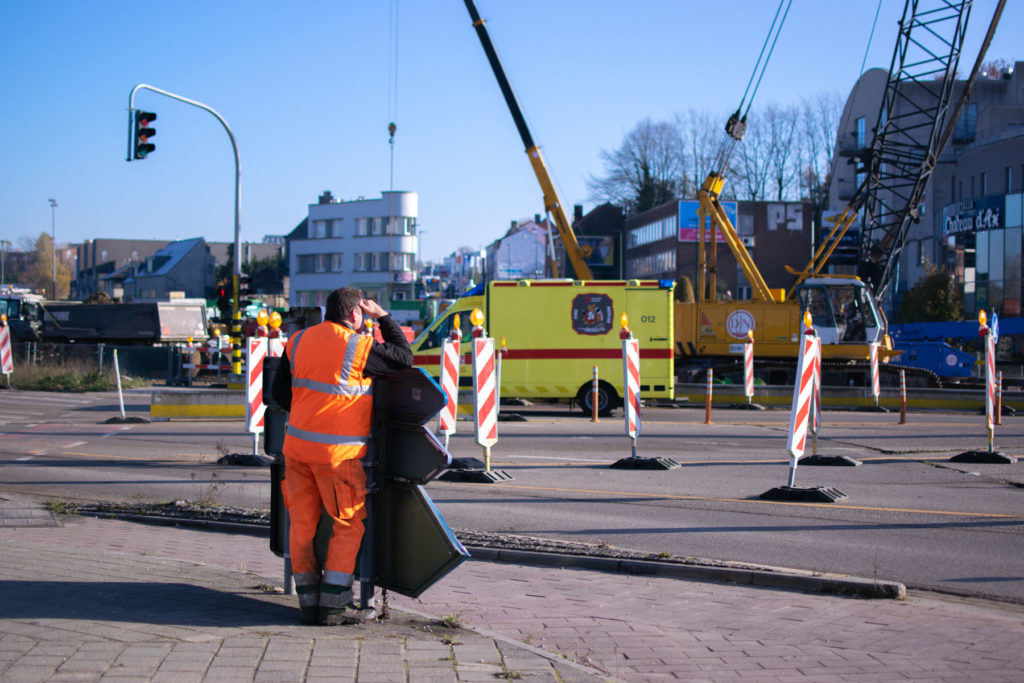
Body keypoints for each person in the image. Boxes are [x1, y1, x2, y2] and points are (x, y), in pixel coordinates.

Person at [271, 287, 413, 626]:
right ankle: (333, 606)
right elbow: (404, 357)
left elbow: (280, 393)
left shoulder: (300, 341)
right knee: (348, 524)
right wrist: (384, 318)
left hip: (297, 449)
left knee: (302, 525)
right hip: (338, 455)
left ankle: (308, 601)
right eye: (362, 315)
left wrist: (312, 413)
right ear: (354, 315)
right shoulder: (359, 346)